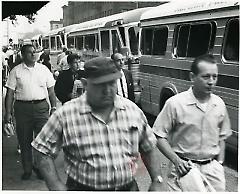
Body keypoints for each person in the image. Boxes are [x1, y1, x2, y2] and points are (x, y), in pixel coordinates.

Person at [31, 57, 166, 191]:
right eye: (100, 85)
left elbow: (149, 147)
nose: (107, 90)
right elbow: (41, 150)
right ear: (85, 84)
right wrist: (56, 186)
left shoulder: (132, 111)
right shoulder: (66, 114)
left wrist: (157, 179)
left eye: (112, 83)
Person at [152, 54, 232, 192]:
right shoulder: (175, 104)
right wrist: (176, 161)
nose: (211, 81)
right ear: (192, 77)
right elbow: (158, 136)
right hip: (184, 169)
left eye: (215, 76)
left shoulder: (219, 104)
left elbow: (222, 136)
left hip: (213, 171)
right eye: (206, 76)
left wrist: (219, 163)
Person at [4, 44, 57, 180]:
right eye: (29, 53)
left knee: (41, 142)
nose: (33, 55)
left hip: (41, 108)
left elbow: (51, 91)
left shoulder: (43, 69)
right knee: (24, 140)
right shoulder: (16, 71)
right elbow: (9, 94)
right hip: (22, 109)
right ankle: (27, 169)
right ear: (22, 54)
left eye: (35, 52)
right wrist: (8, 113)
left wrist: (54, 107)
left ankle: (40, 169)